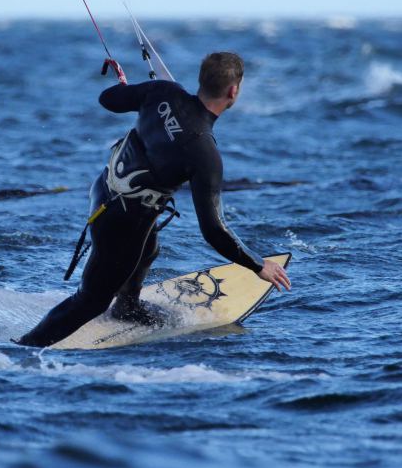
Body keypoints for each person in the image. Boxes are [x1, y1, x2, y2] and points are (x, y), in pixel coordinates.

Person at [15, 52, 290, 347]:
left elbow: (108, 100)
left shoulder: (163, 91)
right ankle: (24, 347)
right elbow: (213, 230)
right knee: (91, 301)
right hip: (121, 225)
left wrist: (130, 89)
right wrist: (257, 264)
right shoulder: (204, 154)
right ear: (233, 91)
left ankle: (127, 306)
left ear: (201, 79)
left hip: (104, 193)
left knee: (148, 247)